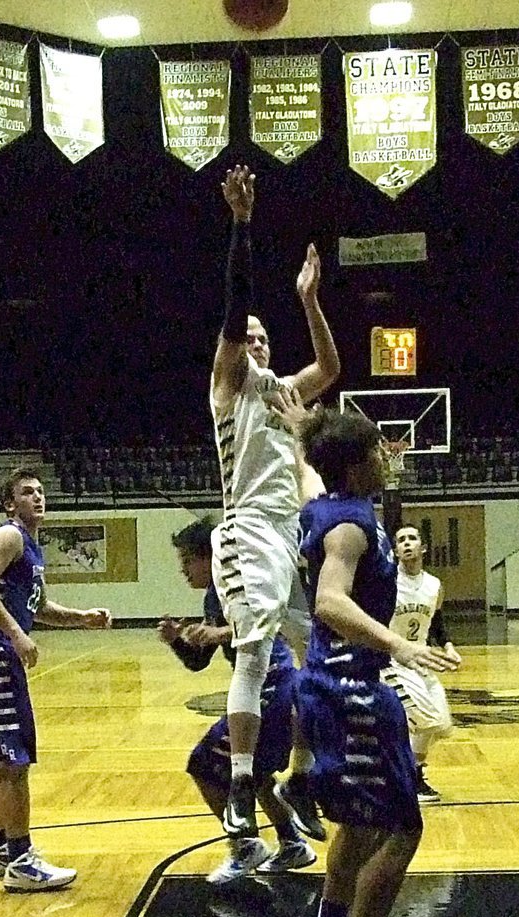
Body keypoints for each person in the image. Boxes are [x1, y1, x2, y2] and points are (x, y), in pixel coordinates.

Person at [292, 409, 456, 917]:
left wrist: (293, 432)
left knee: (359, 826)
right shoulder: (350, 530)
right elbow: (331, 601)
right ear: (360, 464)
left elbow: (308, 477)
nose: (390, 458)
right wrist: (397, 644)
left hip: (337, 686)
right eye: (381, 452)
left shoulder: (325, 504)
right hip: (352, 689)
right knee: (402, 828)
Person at [209, 164, 339, 843]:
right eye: (248, 335)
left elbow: (331, 369)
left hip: (287, 535)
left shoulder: (284, 391)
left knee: (314, 656)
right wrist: (242, 223)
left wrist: (309, 301)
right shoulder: (229, 384)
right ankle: (237, 783)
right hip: (247, 530)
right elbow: (235, 305)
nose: (255, 340)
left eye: (263, 335)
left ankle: (300, 775)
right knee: (254, 655)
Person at [0, 470, 112, 892]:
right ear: (10, 503)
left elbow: (33, 606)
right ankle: (22, 861)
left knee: (2, 760)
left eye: (41, 491)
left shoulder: (31, 548)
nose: (37, 497)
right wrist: (16, 635)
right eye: (27, 492)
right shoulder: (8, 537)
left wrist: (80, 618)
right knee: (14, 761)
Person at [158, 518, 322, 884]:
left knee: (203, 764)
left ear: (209, 556)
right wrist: (177, 641)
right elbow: (199, 661)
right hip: (265, 690)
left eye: (187, 560)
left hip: (273, 687)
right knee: (254, 773)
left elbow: (265, 623)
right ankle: (291, 843)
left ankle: (244, 846)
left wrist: (216, 632)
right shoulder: (213, 595)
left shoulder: (242, 582)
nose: (183, 570)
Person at [381, 525, 462, 802]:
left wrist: (448, 646)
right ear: (394, 551)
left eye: (412, 539)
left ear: (423, 548)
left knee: (442, 724)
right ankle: (403, 778)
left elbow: (436, 621)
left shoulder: (434, 585)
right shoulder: (387, 582)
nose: (406, 544)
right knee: (424, 720)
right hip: (392, 661)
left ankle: (412, 775)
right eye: (400, 540)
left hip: (422, 660)